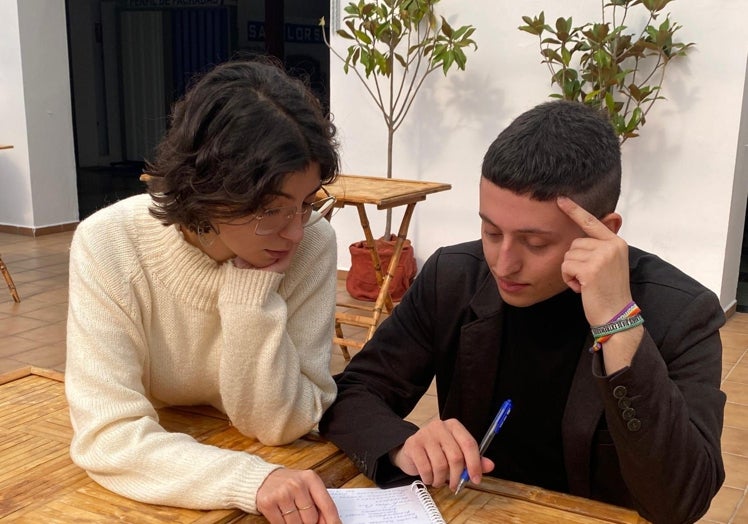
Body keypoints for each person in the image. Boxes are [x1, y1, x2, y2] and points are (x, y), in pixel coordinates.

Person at [319, 100, 726, 524]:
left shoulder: (680, 312)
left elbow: (681, 501)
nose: (504, 263)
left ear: (604, 230)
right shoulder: (454, 278)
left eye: (535, 243)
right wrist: (403, 444)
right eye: (491, 231)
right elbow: (352, 393)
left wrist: (617, 323)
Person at [66, 59, 343, 524]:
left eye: (308, 202)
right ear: (209, 192)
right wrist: (249, 480)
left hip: (252, 460)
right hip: (157, 488)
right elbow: (107, 435)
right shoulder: (109, 243)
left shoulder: (312, 242)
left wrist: (250, 293)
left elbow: (283, 424)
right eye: (272, 210)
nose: (296, 231)